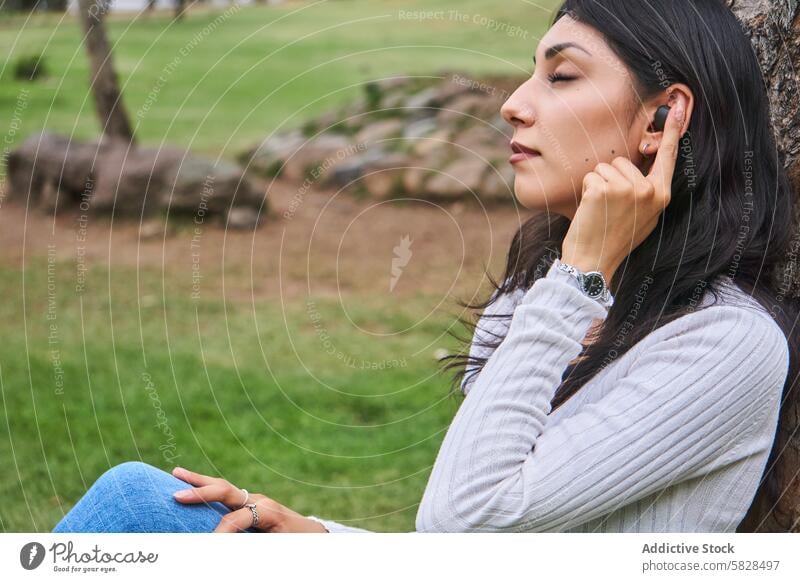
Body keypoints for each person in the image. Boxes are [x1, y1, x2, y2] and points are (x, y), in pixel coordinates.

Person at [53, 0, 798, 534]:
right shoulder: (543, 296)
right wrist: (323, 542)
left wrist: (579, 276)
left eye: (561, 77)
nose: (513, 104)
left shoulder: (728, 343)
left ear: (661, 118)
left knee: (130, 512)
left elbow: (464, 520)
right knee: (142, 502)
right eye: (528, 75)